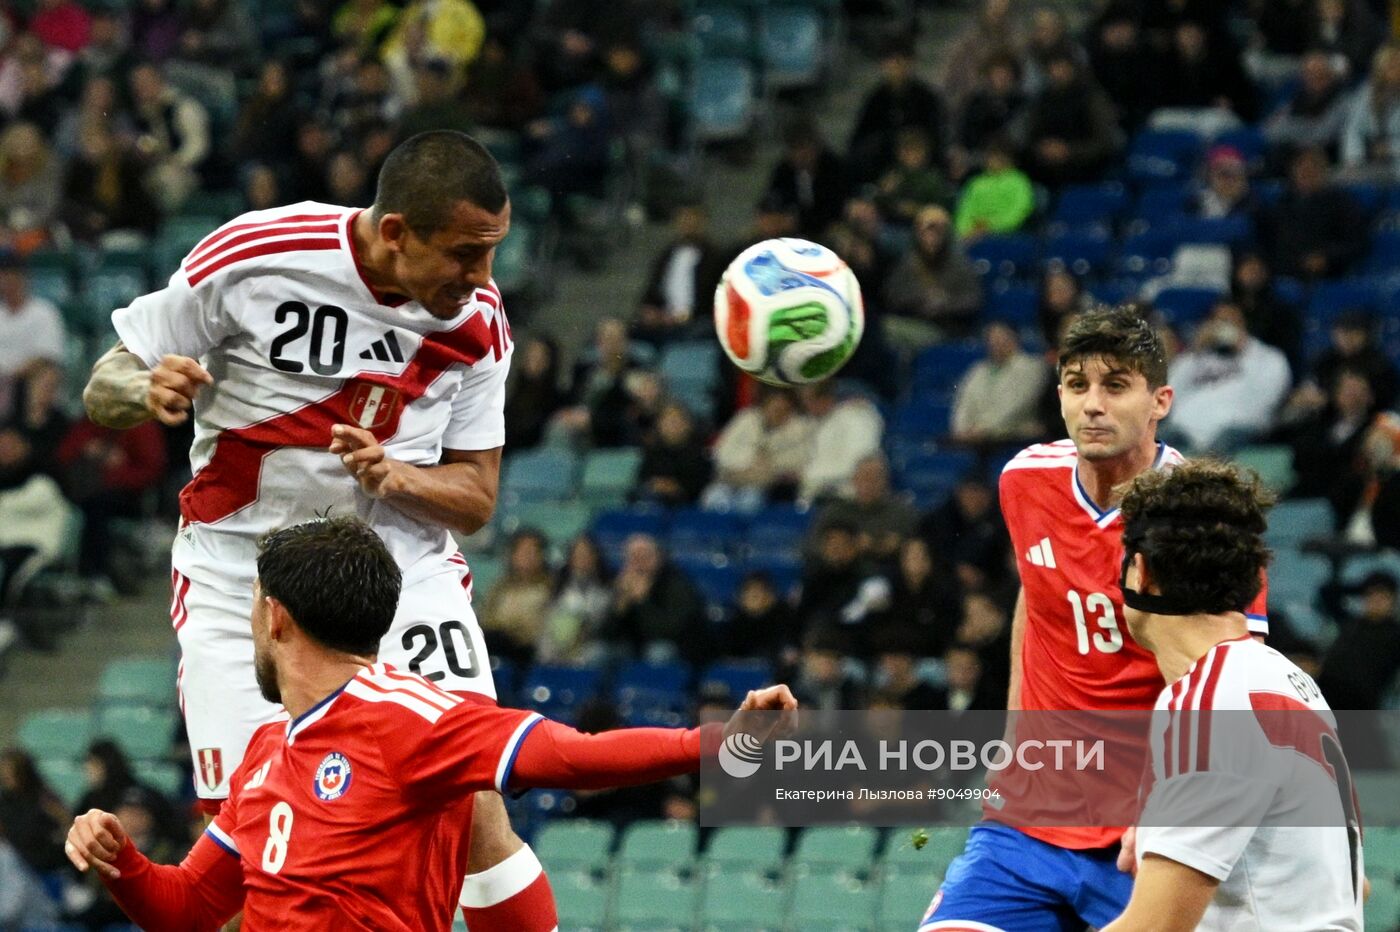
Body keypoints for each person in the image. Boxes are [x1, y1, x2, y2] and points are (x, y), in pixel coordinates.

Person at [80, 131, 557, 929]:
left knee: (471, 800)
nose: (482, 279)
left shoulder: (479, 324)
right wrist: (144, 388)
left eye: (492, 253)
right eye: (466, 255)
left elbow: (476, 496)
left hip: (395, 577)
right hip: (247, 586)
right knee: (248, 847)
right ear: (397, 231)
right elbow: (106, 380)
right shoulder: (258, 255)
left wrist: (396, 475)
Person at [65, 516, 798, 930]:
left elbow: (570, 757)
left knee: (485, 817)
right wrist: (122, 863)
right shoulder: (266, 748)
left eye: (252, 605)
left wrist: (713, 745)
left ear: (274, 617)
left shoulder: (407, 720)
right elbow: (186, 910)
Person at [920, 306, 1269, 932]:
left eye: (1116, 385)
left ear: (1160, 400)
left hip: (1145, 833)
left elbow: (1235, 678)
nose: (1093, 405)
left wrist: (1175, 803)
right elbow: (1037, 591)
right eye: (1078, 386)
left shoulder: (1200, 517)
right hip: (1026, 821)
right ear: (1058, 397)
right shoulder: (1024, 481)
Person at [1102, 460, 1361, 931]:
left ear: (1142, 572)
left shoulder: (1208, 703)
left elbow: (1154, 927)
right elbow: (1352, 885)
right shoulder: (1288, 681)